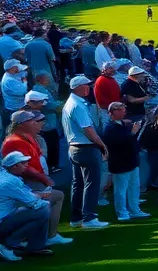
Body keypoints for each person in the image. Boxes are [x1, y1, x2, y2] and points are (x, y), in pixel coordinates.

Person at [1, 109, 71, 245]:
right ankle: (28, 240)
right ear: (21, 124)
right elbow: (21, 166)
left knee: (53, 200)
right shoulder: (14, 141)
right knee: (41, 208)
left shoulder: (28, 137)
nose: (36, 123)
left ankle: (48, 236)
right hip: (30, 182)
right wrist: (42, 178)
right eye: (31, 121)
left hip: (36, 180)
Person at [63, 74, 109, 229]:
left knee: (78, 183)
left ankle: (76, 217)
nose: (89, 88)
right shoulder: (78, 105)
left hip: (75, 148)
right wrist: (102, 145)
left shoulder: (71, 103)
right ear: (77, 87)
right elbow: (88, 130)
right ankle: (88, 218)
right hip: (85, 148)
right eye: (86, 85)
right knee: (91, 183)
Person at [0, 152, 53, 260]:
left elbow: (28, 195)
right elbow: (34, 202)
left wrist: (40, 197)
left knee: (42, 209)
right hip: (2, 222)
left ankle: (35, 247)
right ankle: (8, 244)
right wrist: (44, 200)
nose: (27, 165)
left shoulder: (8, 177)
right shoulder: (9, 181)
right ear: (14, 166)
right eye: (23, 163)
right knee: (43, 210)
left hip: (6, 217)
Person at [100, 102, 148, 221]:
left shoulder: (123, 124)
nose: (123, 111)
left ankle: (135, 210)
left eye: (123, 109)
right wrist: (132, 132)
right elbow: (118, 143)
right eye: (120, 109)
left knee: (134, 186)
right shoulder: (109, 128)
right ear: (112, 112)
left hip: (131, 161)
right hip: (120, 163)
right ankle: (122, 212)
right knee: (121, 189)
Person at [1, 59, 28, 132]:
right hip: (15, 107)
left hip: (17, 106)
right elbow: (22, 91)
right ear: (12, 68)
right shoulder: (9, 80)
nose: (19, 69)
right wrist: (25, 82)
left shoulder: (10, 74)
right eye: (17, 67)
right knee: (17, 128)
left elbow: (22, 73)